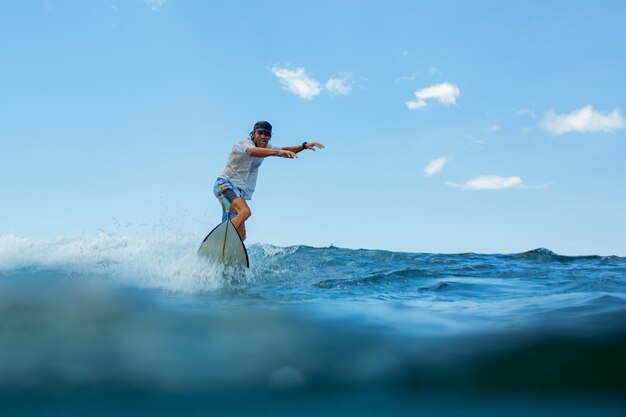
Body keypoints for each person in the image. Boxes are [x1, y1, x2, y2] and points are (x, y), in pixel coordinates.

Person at [214, 121, 324, 240]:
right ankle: (220, 241)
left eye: (267, 134)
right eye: (260, 133)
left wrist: (303, 146)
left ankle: (226, 251)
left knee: (242, 235)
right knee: (245, 212)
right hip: (225, 185)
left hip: (239, 192)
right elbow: (251, 151)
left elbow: (285, 150)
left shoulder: (268, 148)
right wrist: (278, 152)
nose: (263, 136)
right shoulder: (243, 143)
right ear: (253, 134)